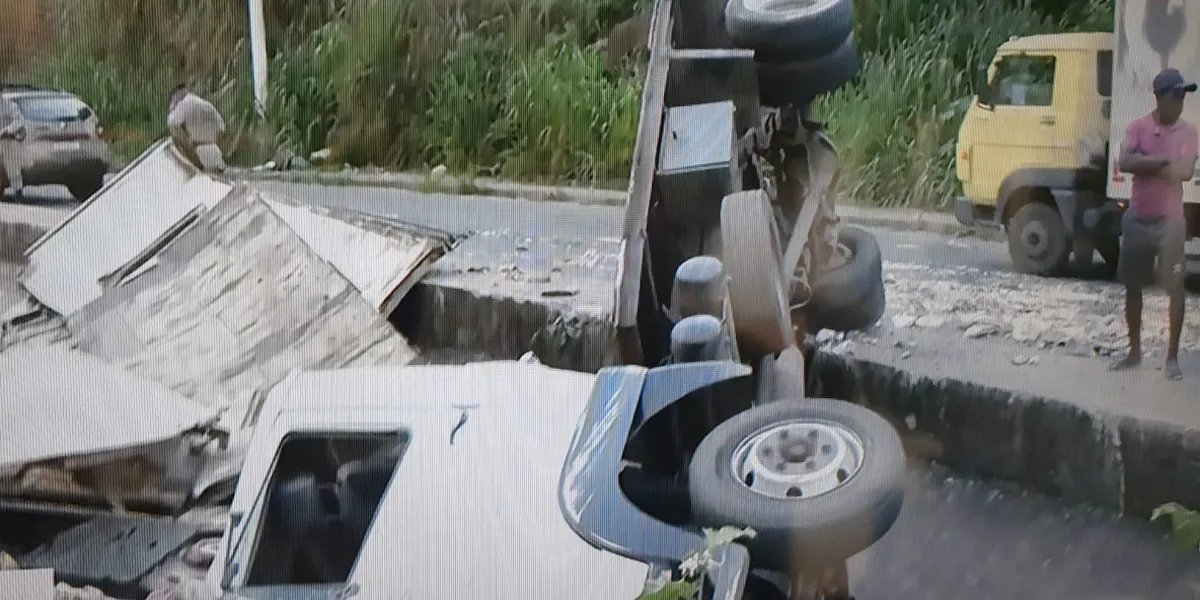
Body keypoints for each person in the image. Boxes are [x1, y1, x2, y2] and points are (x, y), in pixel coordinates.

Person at [1110, 68, 1197, 381]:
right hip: (1138, 219)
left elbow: (1184, 172)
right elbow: (1124, 162)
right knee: (1132, 288)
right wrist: (1162, 162)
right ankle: (1134, 352)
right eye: (1176, 95)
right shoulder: (1138, 127)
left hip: (1171, 222)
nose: (1181, 101)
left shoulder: (1190, 132)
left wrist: (1144, 162)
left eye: (1184, 95)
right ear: (1159, 98)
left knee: (1176, 289)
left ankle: (1171, 359)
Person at [167, 84, 227, 173]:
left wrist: (186, 141)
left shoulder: (185, 103)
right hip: (213, 148)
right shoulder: (206, 104)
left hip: (197, 151)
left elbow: (171, 122)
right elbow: (222, 128)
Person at [0, 94, 24, 198]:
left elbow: (19, 120)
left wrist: (8, 130)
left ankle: (18, 191)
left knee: (12, 166)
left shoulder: (8, 105)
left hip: (6, 140)